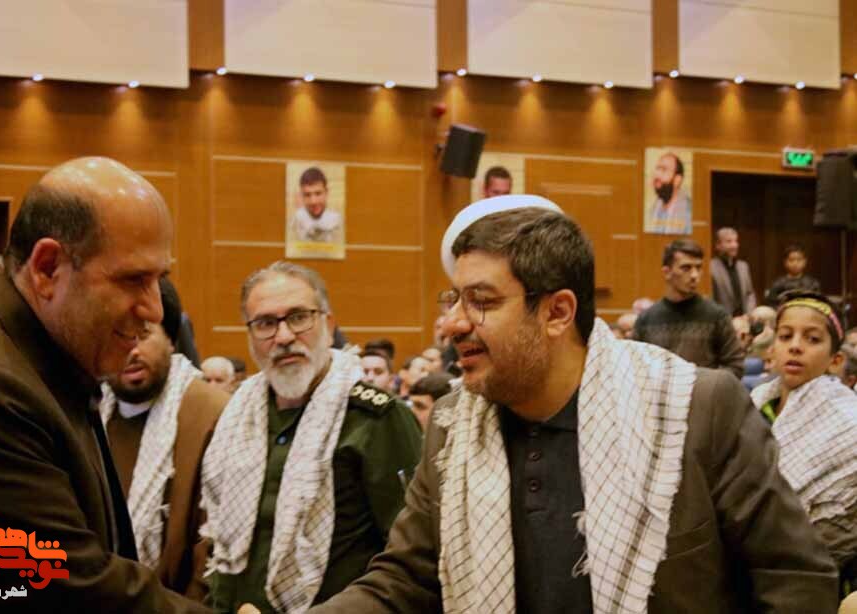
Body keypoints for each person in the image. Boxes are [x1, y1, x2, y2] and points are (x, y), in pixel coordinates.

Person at [308, 195, 838, 614]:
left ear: (558, 312)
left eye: (481, 302)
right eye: (454, 300)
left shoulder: (696, 409)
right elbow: (406, 580)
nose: (452, 324)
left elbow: (795, 580)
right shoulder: (451, 426)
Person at [0, 157, 211, 611]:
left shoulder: (50, 358)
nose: (155, 310)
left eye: (159, 280)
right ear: (47, 268)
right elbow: (71, 585)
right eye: (133, 279)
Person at [199, 261, 422, 614]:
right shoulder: (234, 418)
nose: (284, 337)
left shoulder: (376, 419)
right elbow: (219, 549)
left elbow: (410, 563)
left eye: (299, 317)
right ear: (250, 336)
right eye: (266, 323)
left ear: (329, 325)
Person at [100, 277, 229, 599]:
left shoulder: (213, 413)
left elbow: (216, 546)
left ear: (171, 340)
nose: (131, 350)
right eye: (116, 336)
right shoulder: (89, 412)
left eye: (143, 335)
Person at [751, 291, 857, 568]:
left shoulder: (848, 423)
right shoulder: (751, 404)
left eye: (813, 339)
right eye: (786, 336)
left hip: (813, 569)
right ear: (772, 349)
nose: (796, 346)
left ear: (835, 360)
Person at [635, 239, 745, 376]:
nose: (694, 275)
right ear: (667, 272)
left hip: (704, 389)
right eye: (686, 268)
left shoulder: (717, 315)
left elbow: (735, 366)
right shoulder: (646, 319)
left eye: (698, 268)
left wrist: (706, 384)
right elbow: (634, 368)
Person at [710, 227, 757, 316]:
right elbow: (710, 300)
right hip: (722, 319)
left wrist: (749, 314)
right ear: (718, 245)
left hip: (745, 318)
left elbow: (750, 294)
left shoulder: (743, 266)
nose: (734, 245)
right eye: (729, 241)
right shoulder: (711, 268)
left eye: (736, 241)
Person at [291, 167, 342, 243]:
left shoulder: (336, 220)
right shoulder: (297, 219)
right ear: (302, 196)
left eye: (318, 193)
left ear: (326, 192)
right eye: (307, 195)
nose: (313, 201)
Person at [646, 152, 692, 235]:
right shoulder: (653, 210)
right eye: (657, 169)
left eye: (664, 170)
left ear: (677, 180)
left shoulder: (690, 213)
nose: (657, 175)